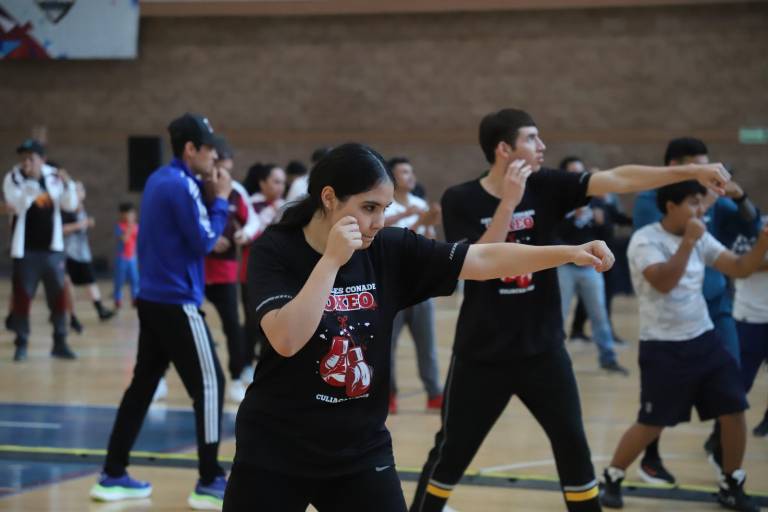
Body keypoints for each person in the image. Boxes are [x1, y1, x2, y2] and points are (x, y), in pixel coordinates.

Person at [222, 142, 615, 511]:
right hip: (274, 449)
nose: (378, 221)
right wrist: (330, 262)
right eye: (368, 207)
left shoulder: (390, 249)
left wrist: (568, 253)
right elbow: (287, 339)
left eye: (385, 208)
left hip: (359, 452)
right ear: (328, 198)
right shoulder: (275, 250)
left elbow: (481, 259)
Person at [410, 108, 731, 512]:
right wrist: (508, 204)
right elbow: (478, 266)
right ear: (504, 149)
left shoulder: (546, 186)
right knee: (451, 452)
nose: (542, 146)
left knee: (573, 447)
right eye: (532, 138)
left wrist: (688, 174)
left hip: (543, 349)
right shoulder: (461, 197)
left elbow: (618, 178)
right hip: (482, 353)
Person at [90, 113, 232, 510]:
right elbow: (204, 240)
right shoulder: (182, 185)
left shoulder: (158, 179)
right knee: (211, 385)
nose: (214, 157)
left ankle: (113, 473)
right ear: (191, 149)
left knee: (142, 387)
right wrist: (220, 201)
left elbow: (183, 236)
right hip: (176, 301)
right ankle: (209, 480)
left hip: (152, 300)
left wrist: (207, 209)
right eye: (209, 149)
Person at [600, 181, 767, 512]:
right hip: (663, 347)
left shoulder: (700, 236)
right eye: (694, 203)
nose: (701, 211)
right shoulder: (645, 240)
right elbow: (663, 281)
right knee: (653, 422)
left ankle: (732, 482)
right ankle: (612, 476)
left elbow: (738, 267)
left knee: (734, 409)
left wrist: (763, 243)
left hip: (704, 339)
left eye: (702, 204)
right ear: (671, 206)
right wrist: (689, 242)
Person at [631, 137, 760, 485]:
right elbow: (661, 249)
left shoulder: (712, 199)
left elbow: (751, 226)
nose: (711, 174)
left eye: (712, 166)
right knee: (660, 403)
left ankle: (726, 462)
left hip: (714, 309)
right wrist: (695, 224)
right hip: (669, 318)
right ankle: (647, 458)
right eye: (702, 167)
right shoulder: (651, 203)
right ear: (676, 166)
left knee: (732, 386)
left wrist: (739, 196)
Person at [3, 139, 79, 361]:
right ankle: (22, 343)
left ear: (42, 160)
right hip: (25, 251)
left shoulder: (55, 177)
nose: (26, 162)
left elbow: (70, 204)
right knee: (22, 297)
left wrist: (69, 185)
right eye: (23, 158)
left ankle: (60, 341)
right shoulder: (14, 177)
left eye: (31, 158)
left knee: (58, 297)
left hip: (52, 250)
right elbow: (16, 204)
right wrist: (33, 182)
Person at [555, 157, 628, 374]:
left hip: (589, 266)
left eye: (580, 172)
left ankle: (608, 358)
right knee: (560, 314)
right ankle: (555, 360)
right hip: (565, 265)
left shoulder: (595, 201)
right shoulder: (557, 202)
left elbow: (606, 235)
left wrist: (602, 221)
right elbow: (552, 234)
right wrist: (572, 218)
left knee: (599, 314)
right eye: (573, 172)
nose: (577, 176)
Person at [384, 156, 444, 414]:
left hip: (420, 287)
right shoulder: (384, 207)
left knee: (427, 346)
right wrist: (414, 219)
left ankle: (434, 394)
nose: (410, 176)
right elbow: (387, 237)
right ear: (392, 178)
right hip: (392, 288)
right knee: (386, 347)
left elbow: (427, 245)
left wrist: (430, 224)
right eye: (403, 172)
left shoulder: (420, 204)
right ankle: (388, 395)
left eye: (411, 171)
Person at [204, 135, 261, 402]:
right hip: (193, 270)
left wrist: (244, 236)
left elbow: (253, 222)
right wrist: (209, 240)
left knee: (233, 327)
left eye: (227, 168)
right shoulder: (194, 187)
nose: (222, 173)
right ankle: (160, 380)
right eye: (218, 167)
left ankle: (236, 377)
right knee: (177, 325)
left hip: (225, 270)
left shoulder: (237, 192)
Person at [240, 162, 286, 365]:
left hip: (279, 273)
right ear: (262, 183)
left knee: (275, 321)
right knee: (252, 321)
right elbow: (250, 235)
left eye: (283, 182)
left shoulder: (288, 207)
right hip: (250, 272)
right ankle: (245, 364)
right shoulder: (249, 205)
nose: (280, 186)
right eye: (276, 181)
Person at [61, 180, 115, 332]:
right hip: (67, 254)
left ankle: (100, 310)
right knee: (67, 284)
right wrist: (82, 224)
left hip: (81, 253)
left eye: (81, 189)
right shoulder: (65, 209)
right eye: (77, 189)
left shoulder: (80, 208)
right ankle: (72, 317)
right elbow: (61, 229)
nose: (80, 191)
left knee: (90, 281)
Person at [732, 214, 768, 438]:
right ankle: (720, 434)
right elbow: (740, 264)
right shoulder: (751, 226)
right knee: (740, 383)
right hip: (751, 317)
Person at [113, 202, 139, 310]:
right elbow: (124, 239)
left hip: (132, 257)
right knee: (120, 280)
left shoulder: (137, 226)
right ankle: (118, 299)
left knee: (135, 279)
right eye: (127, 214)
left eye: (131, 214)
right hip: (121, 257)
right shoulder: (120, 227)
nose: (129, 217)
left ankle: (135, 298)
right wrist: (129, 228)